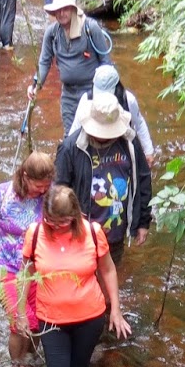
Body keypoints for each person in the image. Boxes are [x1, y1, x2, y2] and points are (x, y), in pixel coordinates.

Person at [21, 184, 131, 367]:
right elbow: (26, 275)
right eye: (51, 221)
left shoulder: (92, 232)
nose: (57, 227)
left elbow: (108, 270)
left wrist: (116, 310)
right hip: (51, 319)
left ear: (74, 215)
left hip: (90, 318)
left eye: (63, 222)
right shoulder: (35, 234)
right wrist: (21, 313)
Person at [55, 87, 152, 268]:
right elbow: (59, 190)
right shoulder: (71, 148)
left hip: (115, 232)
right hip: (81, 233)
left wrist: (143, 222)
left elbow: (143, 178)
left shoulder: (130, 143)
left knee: (112, 273)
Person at [0, 152, 54, 360]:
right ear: (25, 176)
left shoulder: (51, 195)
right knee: (20, 321)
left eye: (46, 185)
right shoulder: (3, 193)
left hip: (35, 269)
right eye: (38, 185)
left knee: (37, 321)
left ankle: (32, 361)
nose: (43, 190)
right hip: (4, 268)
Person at [29, 0, 113, 135]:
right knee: (70, 138)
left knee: (93, 135)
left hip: (92, 93)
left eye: (65, 9)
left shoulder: (90, 28)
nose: (61, 13)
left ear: (73, 9)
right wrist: (36, 85)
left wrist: (107, 94)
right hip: (68, 95)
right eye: (58, 10)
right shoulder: (52, 33)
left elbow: (106, 63)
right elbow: (44, 62)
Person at [72, 63, 154, 162]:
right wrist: (70, 154)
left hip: (121, 147)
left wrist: (148, 151)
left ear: (117, 88)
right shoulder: (86, 100)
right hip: (95, 148)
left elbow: (139, 124)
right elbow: (76, 128)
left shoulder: (129, 100)